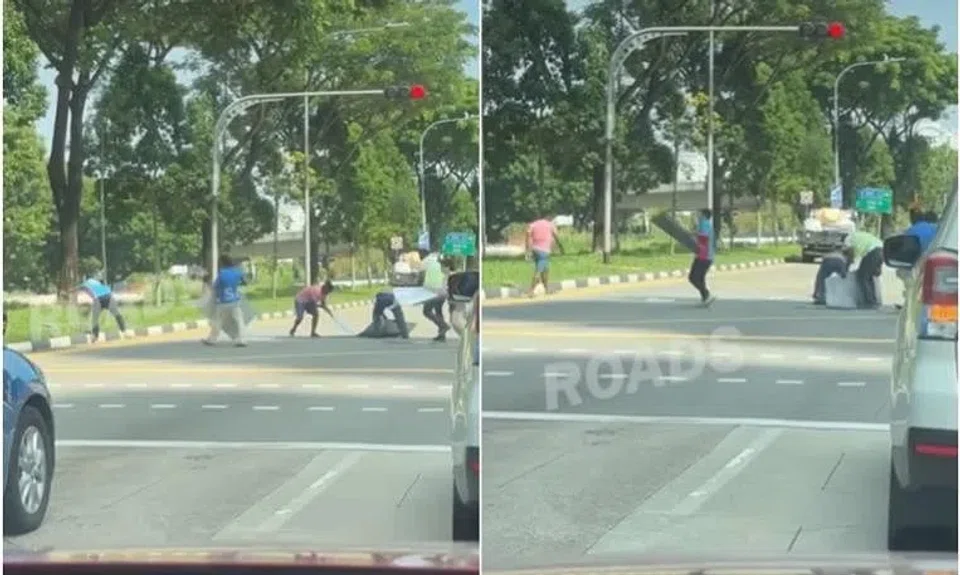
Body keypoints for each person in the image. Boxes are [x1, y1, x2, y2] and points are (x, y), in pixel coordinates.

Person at [203, 255, 247, 347]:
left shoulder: (222, 274)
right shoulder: (237, 272)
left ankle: (212, 339)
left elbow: (215, 287)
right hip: (235, 301)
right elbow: (244, 281)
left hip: (223, 302)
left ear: (222, 263)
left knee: (218, 321)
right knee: (239, 321)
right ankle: (241, 340)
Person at [843, 229, 884, 309]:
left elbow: (850, 255)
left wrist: (846, 268)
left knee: (862, 276)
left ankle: (869, 302)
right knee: (869, 276)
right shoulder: (859, 234)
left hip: (872, 251)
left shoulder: (848, 239)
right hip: (881, 250)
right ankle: (873, 300)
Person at [526, 214, 564, 297]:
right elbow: (556, 236)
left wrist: (528, 250)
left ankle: (547, 289)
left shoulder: (533, 224)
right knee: (539, 271)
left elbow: (528, 236)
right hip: (544, 251)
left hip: (535, 249)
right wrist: (560, 247)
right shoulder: (550, 225)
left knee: (545, 270)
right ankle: (531, 291)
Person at [78, 276, 127, 341]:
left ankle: (95, 335)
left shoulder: (87, 284)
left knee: (95, 318)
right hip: (107, 297)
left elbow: (84, 290)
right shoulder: (95, 282)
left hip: (100, 298)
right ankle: (123, 330)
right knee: (117, 314)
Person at [420, 249, 451, 342]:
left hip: (432, 291)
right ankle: (442, 335)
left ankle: (443, 326)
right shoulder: (443, 260)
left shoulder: (427, 260)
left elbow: (420, 271)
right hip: (444, 290)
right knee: (438, 311)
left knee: (426, 311)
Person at [688, 209, 716, 306]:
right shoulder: (707, 224)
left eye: (700, 214)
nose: (698, 216)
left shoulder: (704, 223)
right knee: (700, 278)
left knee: (693, 277)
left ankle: (707, 295)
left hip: (703, 256)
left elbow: (703, 238)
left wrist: (693, 235)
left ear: (704, 216)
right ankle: (705, 298)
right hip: (707, 256)